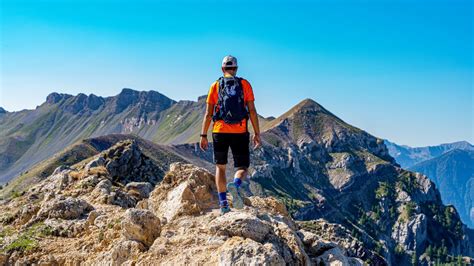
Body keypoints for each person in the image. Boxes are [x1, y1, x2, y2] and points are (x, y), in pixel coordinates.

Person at [199, 55, 261, 215]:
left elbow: (208, 113)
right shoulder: (244, 84)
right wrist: (257, 133)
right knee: (242, 167)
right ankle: (236, 184)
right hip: (240, 131)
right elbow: (252, 111)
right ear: (236, 69)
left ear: (222, 69)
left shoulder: (215, 86)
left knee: (220, 167)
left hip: (219, 131)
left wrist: (203, 134)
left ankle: (224, 205)